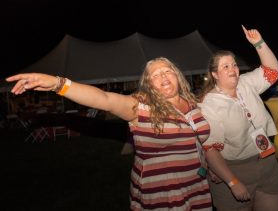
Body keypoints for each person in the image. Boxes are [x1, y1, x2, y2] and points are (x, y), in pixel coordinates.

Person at [6, 57, 213, 211]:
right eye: (155, 75)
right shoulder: (140, 107)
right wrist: (57, 84)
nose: (163, 77)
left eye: (167, 71)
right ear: (149, 84)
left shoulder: (194, 103)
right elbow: (104, 99)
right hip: (163, 193)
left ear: (177, 75)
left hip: (197, 186)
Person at [199, 26, 278, 211]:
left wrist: (259, 43)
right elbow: (210, 149)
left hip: (266, 160)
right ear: (215, 74)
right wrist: (232, 182)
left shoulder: (246, 82)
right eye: (226, 66)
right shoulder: (209, 105)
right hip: (235, 168)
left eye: (234, 64)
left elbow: (272, 72)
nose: (233, 69)